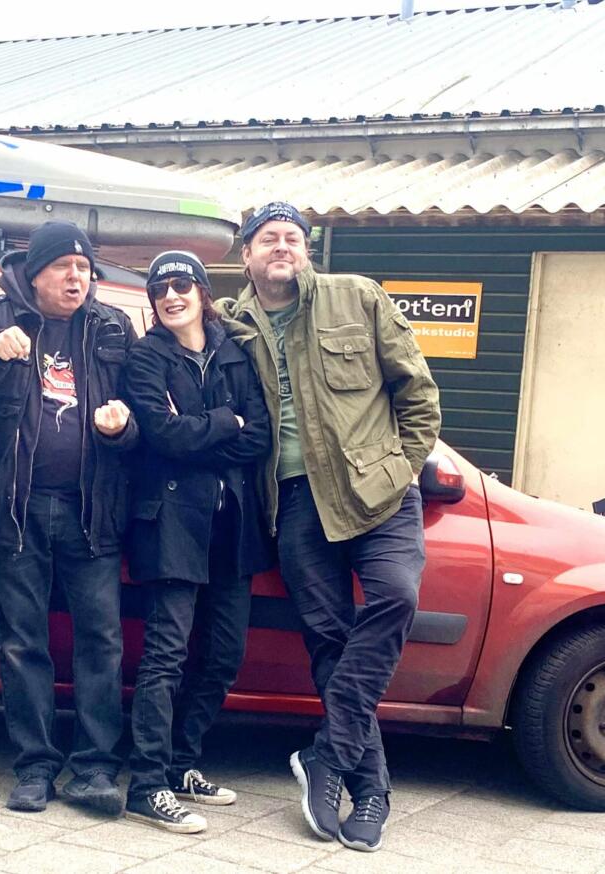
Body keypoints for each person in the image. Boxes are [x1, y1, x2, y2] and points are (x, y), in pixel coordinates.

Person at [216, 201, 441, 852]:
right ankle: (370, 792)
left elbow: (419, 394)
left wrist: (402, 469)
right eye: (268, 238)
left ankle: (327, 756)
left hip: (377, 492)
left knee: (397, 597)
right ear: (246, 254)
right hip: (294, 501)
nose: (281, 246)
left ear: (307, 249)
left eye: (293, 237)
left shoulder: (358, 298)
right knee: (328, 641)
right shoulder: (233, 325)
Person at [0, 221, 137, 815]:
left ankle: (96, 768)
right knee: (22, 641)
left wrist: (124, 427)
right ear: (35, 273)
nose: (77, 278)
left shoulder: (113, 325)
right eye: (64, 267)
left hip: (92, 509)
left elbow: (143, 415)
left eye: (84, 268)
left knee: (101, 640)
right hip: (16, 507)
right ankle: (34, 767)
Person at [121, 251, 271, 833]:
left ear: (203, 292)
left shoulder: (235, 353)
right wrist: (225, 422)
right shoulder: (145, 357)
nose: (170, 296)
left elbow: (259, 436)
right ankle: (147, 784)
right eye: (160, 289)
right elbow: (162, 435)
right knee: (166, 655)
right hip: (171, 523)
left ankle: (182, 763)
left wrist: (200, 433)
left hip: (231, 525)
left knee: (224, 654)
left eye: (182, 284)